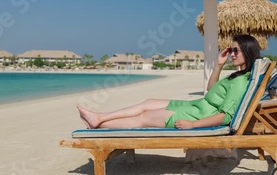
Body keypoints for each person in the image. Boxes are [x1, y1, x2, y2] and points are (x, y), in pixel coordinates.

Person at [77, 34, 261, 129]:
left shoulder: (239, 83)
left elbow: (225, 116)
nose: (232, 54)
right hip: (197, 105)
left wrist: (193, 125)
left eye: (236, 50)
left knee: (143, 118)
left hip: (197, 115)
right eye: (232, 50)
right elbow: (211, 89)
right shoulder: (236, 76)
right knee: (148, 103)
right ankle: (100, 117)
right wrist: (219, 65)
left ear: (248, 51)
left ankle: (99, 123)